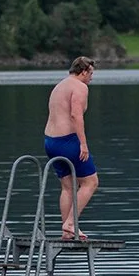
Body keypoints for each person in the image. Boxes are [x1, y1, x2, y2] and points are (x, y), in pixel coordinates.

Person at [43, 56, 98, 240]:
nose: (91, 78)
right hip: (67, 141)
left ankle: (66, 230)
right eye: (91, 74)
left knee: (68, 187)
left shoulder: (60, 86)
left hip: (50, 141)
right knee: (90, 182)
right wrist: (83, 143)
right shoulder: (80, 87)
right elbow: (75, 115)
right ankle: (71, 223)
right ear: (83, 71)